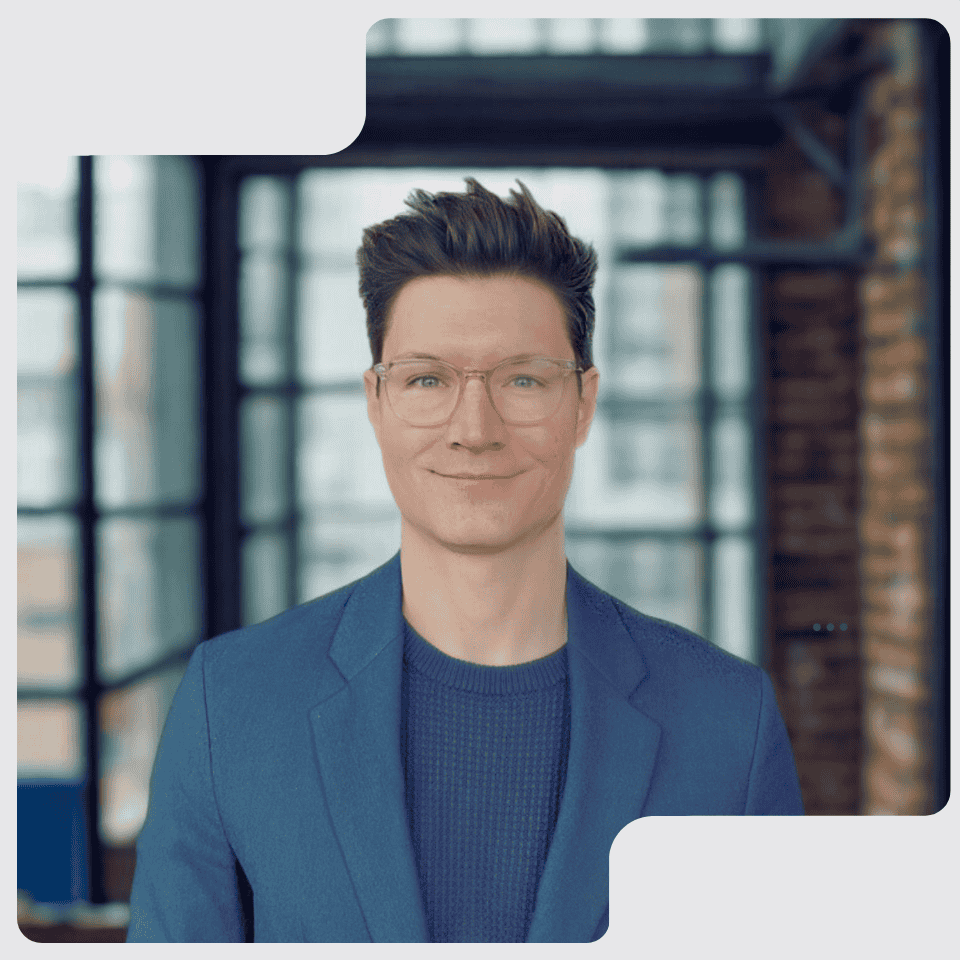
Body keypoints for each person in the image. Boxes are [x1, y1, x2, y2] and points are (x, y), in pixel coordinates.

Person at [126, 178, 804, 944]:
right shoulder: (234, 704)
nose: (473, 429)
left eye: (522, 379)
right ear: (376, 402)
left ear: (583, 403)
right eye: (426, 380)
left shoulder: (727, 722)